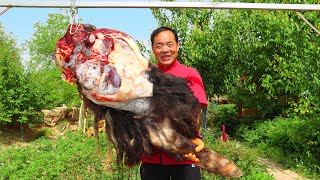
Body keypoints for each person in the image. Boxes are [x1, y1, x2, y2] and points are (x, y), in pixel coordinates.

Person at [140, 27, 208, 180]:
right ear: (152, 48)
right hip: (152, 156)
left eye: (170, 44)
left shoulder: (190, 74)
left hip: (185, 152)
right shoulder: (145, 77)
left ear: (178, 45)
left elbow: (195, 108)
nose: (165, 50)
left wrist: (192, 137)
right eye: (159, 45)